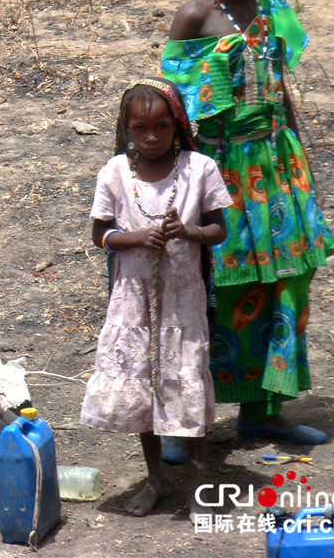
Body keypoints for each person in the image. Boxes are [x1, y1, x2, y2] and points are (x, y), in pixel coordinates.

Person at [160, 0, 334, 447]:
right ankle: (183, 421)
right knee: (215, 288)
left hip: (279, 164)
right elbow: (174, 109)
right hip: (223, 170)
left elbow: (281, 93)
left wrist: (303, 167)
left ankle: (263, 409)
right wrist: (177, 184)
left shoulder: (276, 9)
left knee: (284, 280)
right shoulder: (194, 18)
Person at [80, 79, 231, 521]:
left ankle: (199, 486)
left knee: (186, 383)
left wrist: (190, 232)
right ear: (126, 128)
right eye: (140, 128)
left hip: (182, 300)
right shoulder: (114, 172)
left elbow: (219, 230)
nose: (151, 137)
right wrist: (137, 237)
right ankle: (156, 478)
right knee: (142, 386)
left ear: (177, 125)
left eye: (161, 127)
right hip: (133, 301)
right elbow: (100, 234)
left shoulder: (199, 168)